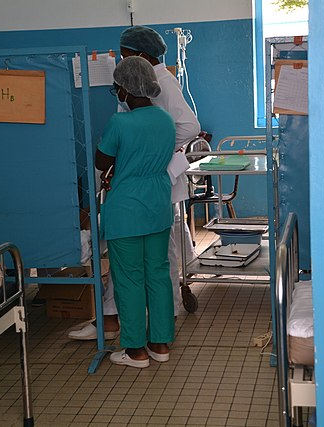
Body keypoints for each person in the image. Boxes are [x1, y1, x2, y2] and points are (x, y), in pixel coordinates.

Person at [68, 25, 201, 341]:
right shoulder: (150, 97)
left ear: (141, 57)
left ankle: (149, 326)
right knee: (147, 265)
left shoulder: (161, 84)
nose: (120, 63)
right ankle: (145, 328)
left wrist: (154, 155)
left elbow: (190, 126)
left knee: (145, 264)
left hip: (143, 189)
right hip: (149, 191)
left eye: (124, 55)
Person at [95, 55, 175, 368]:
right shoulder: (165, 120)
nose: (118, 94)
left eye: (117, 89)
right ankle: (160, 343)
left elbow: (103, 161)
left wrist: (117, 168)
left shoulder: (120, 122)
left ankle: (135, 350)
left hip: (126, 209)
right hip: (157, 204)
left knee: (129, 279)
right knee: (157, 274)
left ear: (126, 89)